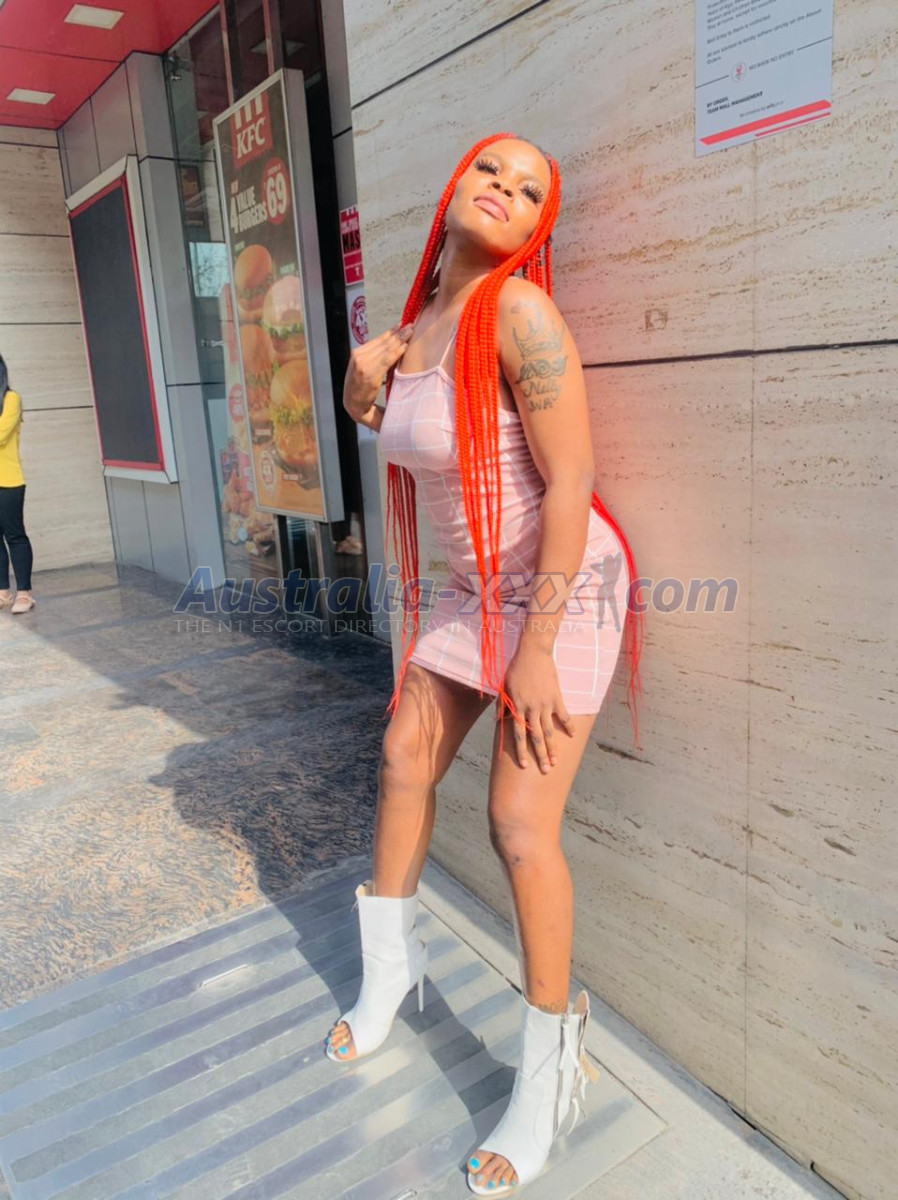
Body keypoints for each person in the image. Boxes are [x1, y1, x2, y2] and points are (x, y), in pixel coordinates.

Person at [331, 134, 646, 1195]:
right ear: (454, 183)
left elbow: (571, 481)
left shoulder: (520, 314)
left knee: (517, 822)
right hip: (475, 591)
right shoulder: (418, 322)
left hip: (560, 586)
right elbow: (398, 428)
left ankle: (549, 1074)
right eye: (490, 171)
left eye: (528, 190)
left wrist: (539, 647)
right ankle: (391, 976)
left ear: (537, 227)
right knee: (402, 759)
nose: (504, 189)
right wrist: (357, 385)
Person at [0, 356, 34, 615]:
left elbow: (1, 436)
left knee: (15, 535)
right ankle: (3, 592)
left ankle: (24, 593)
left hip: (9, 480)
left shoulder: (12, 399)